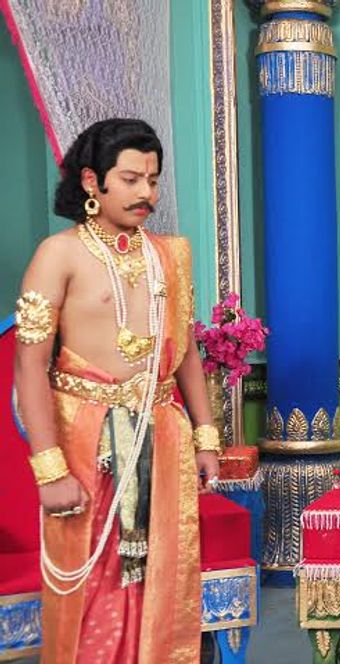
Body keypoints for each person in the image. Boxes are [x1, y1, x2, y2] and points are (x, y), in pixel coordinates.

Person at [13, 118, 221, 663]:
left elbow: (185, 352)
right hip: (87, 446)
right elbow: (29, 367)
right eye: (130, 180)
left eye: (152, 180)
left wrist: (206, 438)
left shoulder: (167, 254)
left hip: (162, 438)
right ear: (92, 181)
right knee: (91, 588)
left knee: (162, 577)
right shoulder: (58, 254)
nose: (145, 193)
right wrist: (50, 470)